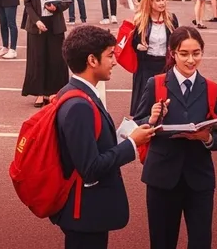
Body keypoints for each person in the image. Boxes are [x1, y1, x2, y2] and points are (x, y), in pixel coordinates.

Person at [53, 25, 154, 249]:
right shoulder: (79, 105)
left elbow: (98, 142)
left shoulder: (76, 92)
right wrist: (132, 144)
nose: (114, 62)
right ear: (92, 60)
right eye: (110, 55)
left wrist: (144, 121)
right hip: (85, 211)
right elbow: (90, 167)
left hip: (85, 211)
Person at [133, 25, 217, 249]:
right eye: (184, 54)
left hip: (199, 178)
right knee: (162, 241)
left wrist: (206, 138)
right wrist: (152, 119)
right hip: (162, 177)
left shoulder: (211, 88)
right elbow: (135, 124)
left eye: (196, 53)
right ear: (172, 53)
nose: (190, 60)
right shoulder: (155, 83)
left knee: (201, 240)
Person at [22, 0, 70, 107]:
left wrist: (57, 8)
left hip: (54, 23)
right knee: (37, 59)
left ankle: (53, 92)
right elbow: (27, 3)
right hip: (36, 24)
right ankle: (39, 93)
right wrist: (36, 21)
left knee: (56, 59)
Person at [127, 0, 178, 115]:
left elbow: (176, 40)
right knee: (144, 106)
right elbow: (132, 42)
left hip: (165, 66)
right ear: (150, 2)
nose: (162, 3)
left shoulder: (171, 19)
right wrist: (138, 46)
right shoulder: (140, 20)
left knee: (167, 105)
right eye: (158, 0)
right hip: (145, 66)